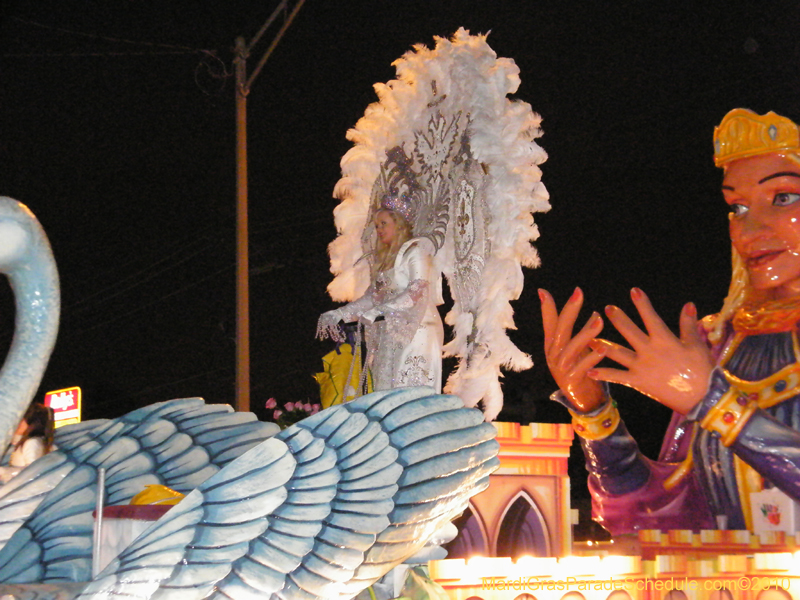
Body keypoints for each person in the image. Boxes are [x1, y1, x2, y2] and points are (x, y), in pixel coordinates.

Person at [541, 108, 800, 535]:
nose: (749, 228)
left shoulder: (709, 372)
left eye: (783, 197)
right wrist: (596, 416)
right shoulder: (720, 343)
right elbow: (658, 518)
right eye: (736, 206)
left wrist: (714, 403)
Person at [317, 193, 444, 393]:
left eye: (383, 223)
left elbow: (416, 291)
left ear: (399, 224)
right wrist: (340, 313)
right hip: (390, 330)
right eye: (376, 226)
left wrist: (380, 311)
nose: (379, 229)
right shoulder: (384, 260)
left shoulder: (415, 251)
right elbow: (371, 298)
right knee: (384, 389)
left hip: (417, 330)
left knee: (408, 390)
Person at [0, 402, 55, 484]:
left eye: (21, 420)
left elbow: (32, 471)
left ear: (31, 423)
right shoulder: (27, 442)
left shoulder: (32, 442)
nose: (17, 423)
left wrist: (4, 471)